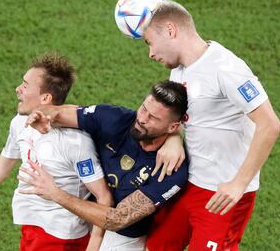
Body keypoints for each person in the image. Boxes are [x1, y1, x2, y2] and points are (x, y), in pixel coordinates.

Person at [0, 54, 112, 251]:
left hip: (62, 236)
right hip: (31, 227)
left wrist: (93, 247)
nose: (18, 89)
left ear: (45, 98)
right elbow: (0, 168)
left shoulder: (75, 141)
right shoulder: (19, 123)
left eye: (25, 85)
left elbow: (103, 196)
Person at [141, 0, 280, 250]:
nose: (150, 53)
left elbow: (270, 125)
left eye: (150, 42)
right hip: (189, 184)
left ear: (171, 31)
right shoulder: (180, 70)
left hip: (222, 195)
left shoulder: (226, 69)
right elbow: (182, 117)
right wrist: (174, 139)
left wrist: (238, 184)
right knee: (156, 246)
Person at [18, 80, 189, 251]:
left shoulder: (172, 170)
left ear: (172, 127)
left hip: (122, 237)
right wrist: (42, 114)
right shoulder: (115, 118)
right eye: (144, 109)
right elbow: (58, 112)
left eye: (153, 118)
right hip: (85, 215)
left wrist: (55, 194)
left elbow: (117, 219)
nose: (142, 119)